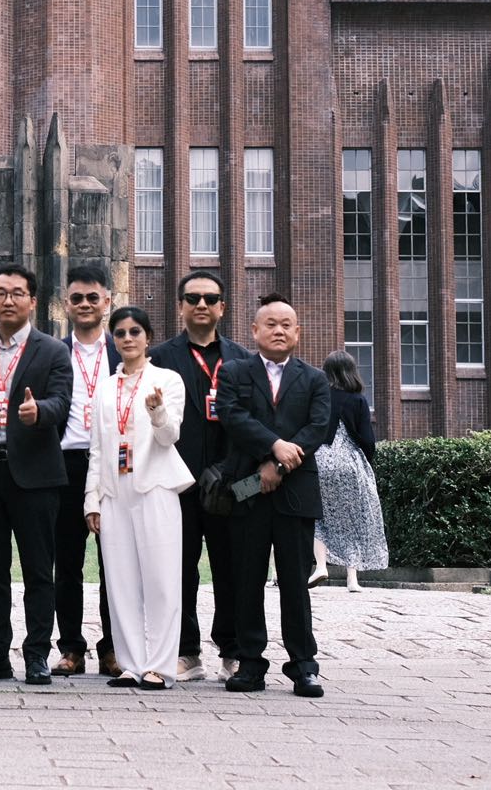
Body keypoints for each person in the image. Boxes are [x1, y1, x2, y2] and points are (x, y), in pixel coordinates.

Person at [0, 264, 74, 686]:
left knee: (39, 570)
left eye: (18, 293)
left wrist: (38, 410)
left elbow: (63, 402)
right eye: (2, 293)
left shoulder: (53, 351)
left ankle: (37, 653)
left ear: (32, 301)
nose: (9, 300)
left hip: (35, 477)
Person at [217, 293, 330, 698]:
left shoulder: (315, 379)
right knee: (246, 579)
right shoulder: (234, 372)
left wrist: (279, 465)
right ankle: (250, 663)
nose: (278, 330)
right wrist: (273, 446)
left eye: (286, 325)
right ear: (255, 330)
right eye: (271, 324)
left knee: (295, 583)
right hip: (247, 488)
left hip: (295, 492)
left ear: (297, 332)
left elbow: (318, 428)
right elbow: (232, 416)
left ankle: (303, 666)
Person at [85, 306, 192, 689]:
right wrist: (92, 499)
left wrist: (157, 411)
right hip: (115, 490)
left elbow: (170, 436)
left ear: (148, 338)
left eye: (135, 332)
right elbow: (97, 448)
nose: (127, 339)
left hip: (155, 487)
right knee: (120, 582)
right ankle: (131, 662)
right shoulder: (104, 389)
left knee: (162, 580)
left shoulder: (167, 380)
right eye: (120, 333)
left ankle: (160, 666)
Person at [150, 268, 243, 681]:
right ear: (180, 307)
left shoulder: (241, 359)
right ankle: (186, 652)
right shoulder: (161, 359)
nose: (201, 305)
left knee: (231, 570)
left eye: (209, 298)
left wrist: (236, 474)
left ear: (223, 307)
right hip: (179, 482)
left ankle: (233, 651)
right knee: (179, 570)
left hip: (231, 484)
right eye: (192, 298)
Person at [53, 264, 118, 677]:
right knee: (67, 563)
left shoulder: (123, 350)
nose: (85, 304)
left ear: (107, 301)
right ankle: (71, 648)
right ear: (66, 304)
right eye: (77, 298)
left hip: (112, 465)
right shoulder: (54, 352)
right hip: (66, 462)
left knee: (115, 561)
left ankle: (113, 647)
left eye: (93, 297)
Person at [312, 351, 386, 593]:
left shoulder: (320, 397)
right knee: (352, 519)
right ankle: (352, 579)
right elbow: (367, 439)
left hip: (321, 462)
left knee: (318, 517)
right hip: (349, 464)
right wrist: (367, 463)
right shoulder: (358, 400)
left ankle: (320, 566)